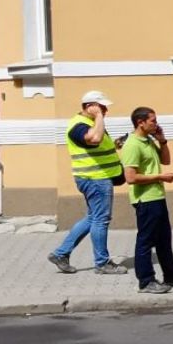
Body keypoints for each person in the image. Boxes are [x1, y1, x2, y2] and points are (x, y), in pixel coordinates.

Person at [49, 91, 126, 275]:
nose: (105, 110)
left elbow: (97, 145)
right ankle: (102, 263)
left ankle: (61, 254)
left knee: (92, 218)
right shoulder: (78, 126)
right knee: (101, 219)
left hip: (97, 178)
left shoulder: (91, 123)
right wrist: (98, 115)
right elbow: (94, 139)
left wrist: (116, 144)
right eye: (101, 107)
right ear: (88, 106)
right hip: (95, 179)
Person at [120, 106, 173, 294]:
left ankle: (172, 275)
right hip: (145, 199)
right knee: (145, 241)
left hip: (157, 197)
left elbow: (165, 161)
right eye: (153, 121)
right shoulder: (132, 145)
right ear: (140, 123)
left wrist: (162, 141)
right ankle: (146, 281)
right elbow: (131, 177)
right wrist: (160, 177)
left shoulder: (148, 140)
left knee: (164, 239)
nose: (156, 124)